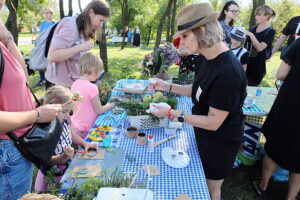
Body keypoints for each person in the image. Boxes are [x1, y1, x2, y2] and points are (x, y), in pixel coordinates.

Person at [149, 2, 247, 200]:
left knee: (210, 190)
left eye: (185, 35)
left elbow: (213, 121)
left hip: (221, 142)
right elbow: (198, 90)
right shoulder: (206, 57)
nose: (181, 41)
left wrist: (171, 114)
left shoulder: (229, 71)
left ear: (201, 31)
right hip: (203, 133)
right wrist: (166, 86)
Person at [0, 1, 61, 198]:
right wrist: (36, 115)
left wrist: (7, 39)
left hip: (16, 148)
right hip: (6, 151)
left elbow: (23, 74)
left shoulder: (2, 41)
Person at [253, 38, 300, 200]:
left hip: (291, 104)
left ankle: (263, 186)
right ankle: (291, 197)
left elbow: (280, 74)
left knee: (275, 146)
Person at [34, 85, 98, 192]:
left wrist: (84, 143)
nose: (68, 116)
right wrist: (62, 158)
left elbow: (71, 134)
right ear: (51, 109)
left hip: (67, 166)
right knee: (57, 194)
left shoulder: (62, 120)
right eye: (64, 112)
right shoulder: (44, 131)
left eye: (70, 112)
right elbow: (45, 159)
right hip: (54, 174)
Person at [45, 0, 110, 89]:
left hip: (71, 83)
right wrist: (80, 47)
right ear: (91, 12)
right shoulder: (70, 26)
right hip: (59, 86)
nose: (101, 25)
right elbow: (52, 56)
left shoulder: (83, 28)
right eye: (100, 20)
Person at [70, 52, 115, 139]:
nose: (98, 75)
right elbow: (99, 110)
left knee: (82, 147)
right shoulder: (92, 87)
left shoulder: (74, 84)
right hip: (89, 127)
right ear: (93, 70)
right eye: (98, 72)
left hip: (76, 125)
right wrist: (112, 105)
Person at [245, 5, 276, 86]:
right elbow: (246, 46)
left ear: (267, 16)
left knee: (253, 89)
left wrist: (251, 35)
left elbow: (260, 48)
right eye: (256, 15)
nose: (255, 17)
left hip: (257, 67)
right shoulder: (252, 29)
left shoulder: (270, 31)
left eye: (258, 15)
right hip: (246, 63)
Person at [35, 8, 55, 87]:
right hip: (43, 45)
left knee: (50, 62)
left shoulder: (55, 23)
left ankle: (50, 78)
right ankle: (42, 79)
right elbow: (41, 34)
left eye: (48, 13)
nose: (46, 15)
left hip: (51, 45)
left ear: (52, 13)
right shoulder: (43, 23)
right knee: (41, 61)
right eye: (45, 13)